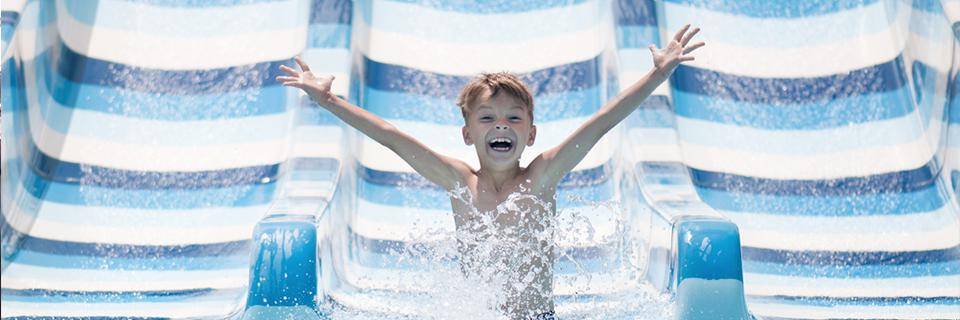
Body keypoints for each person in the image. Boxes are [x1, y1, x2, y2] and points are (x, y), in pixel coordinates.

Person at [277, 24, 703, 320]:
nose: (501, 125)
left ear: (531, 134)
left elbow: (602, 123)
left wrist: (656, 74)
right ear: (467, 134)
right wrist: (329, 102)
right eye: (488, 118)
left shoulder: (542, 177)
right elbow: (391, 136)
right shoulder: (459, 181)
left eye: (514, 118)